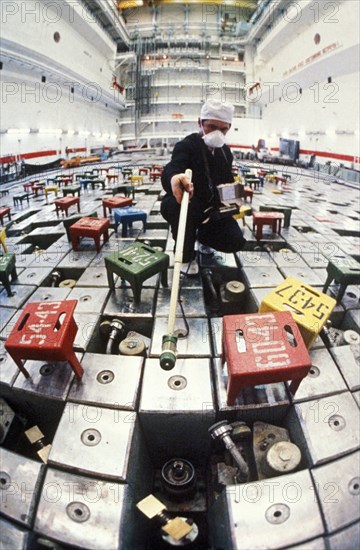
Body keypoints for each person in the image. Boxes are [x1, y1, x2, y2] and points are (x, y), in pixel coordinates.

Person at [160, 100, 246, 275]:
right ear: (200, 122)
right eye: (211, 126)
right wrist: (175, 178)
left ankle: (203, 238)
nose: (217, 133)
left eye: (223, 129)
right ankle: (185, 255)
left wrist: (234, 198)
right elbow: (173, 167)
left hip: (211, 208)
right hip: (187, 203)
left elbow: (227, 180)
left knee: (235, 240)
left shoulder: (224, 152)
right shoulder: (187, 145)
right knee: (182, 208)